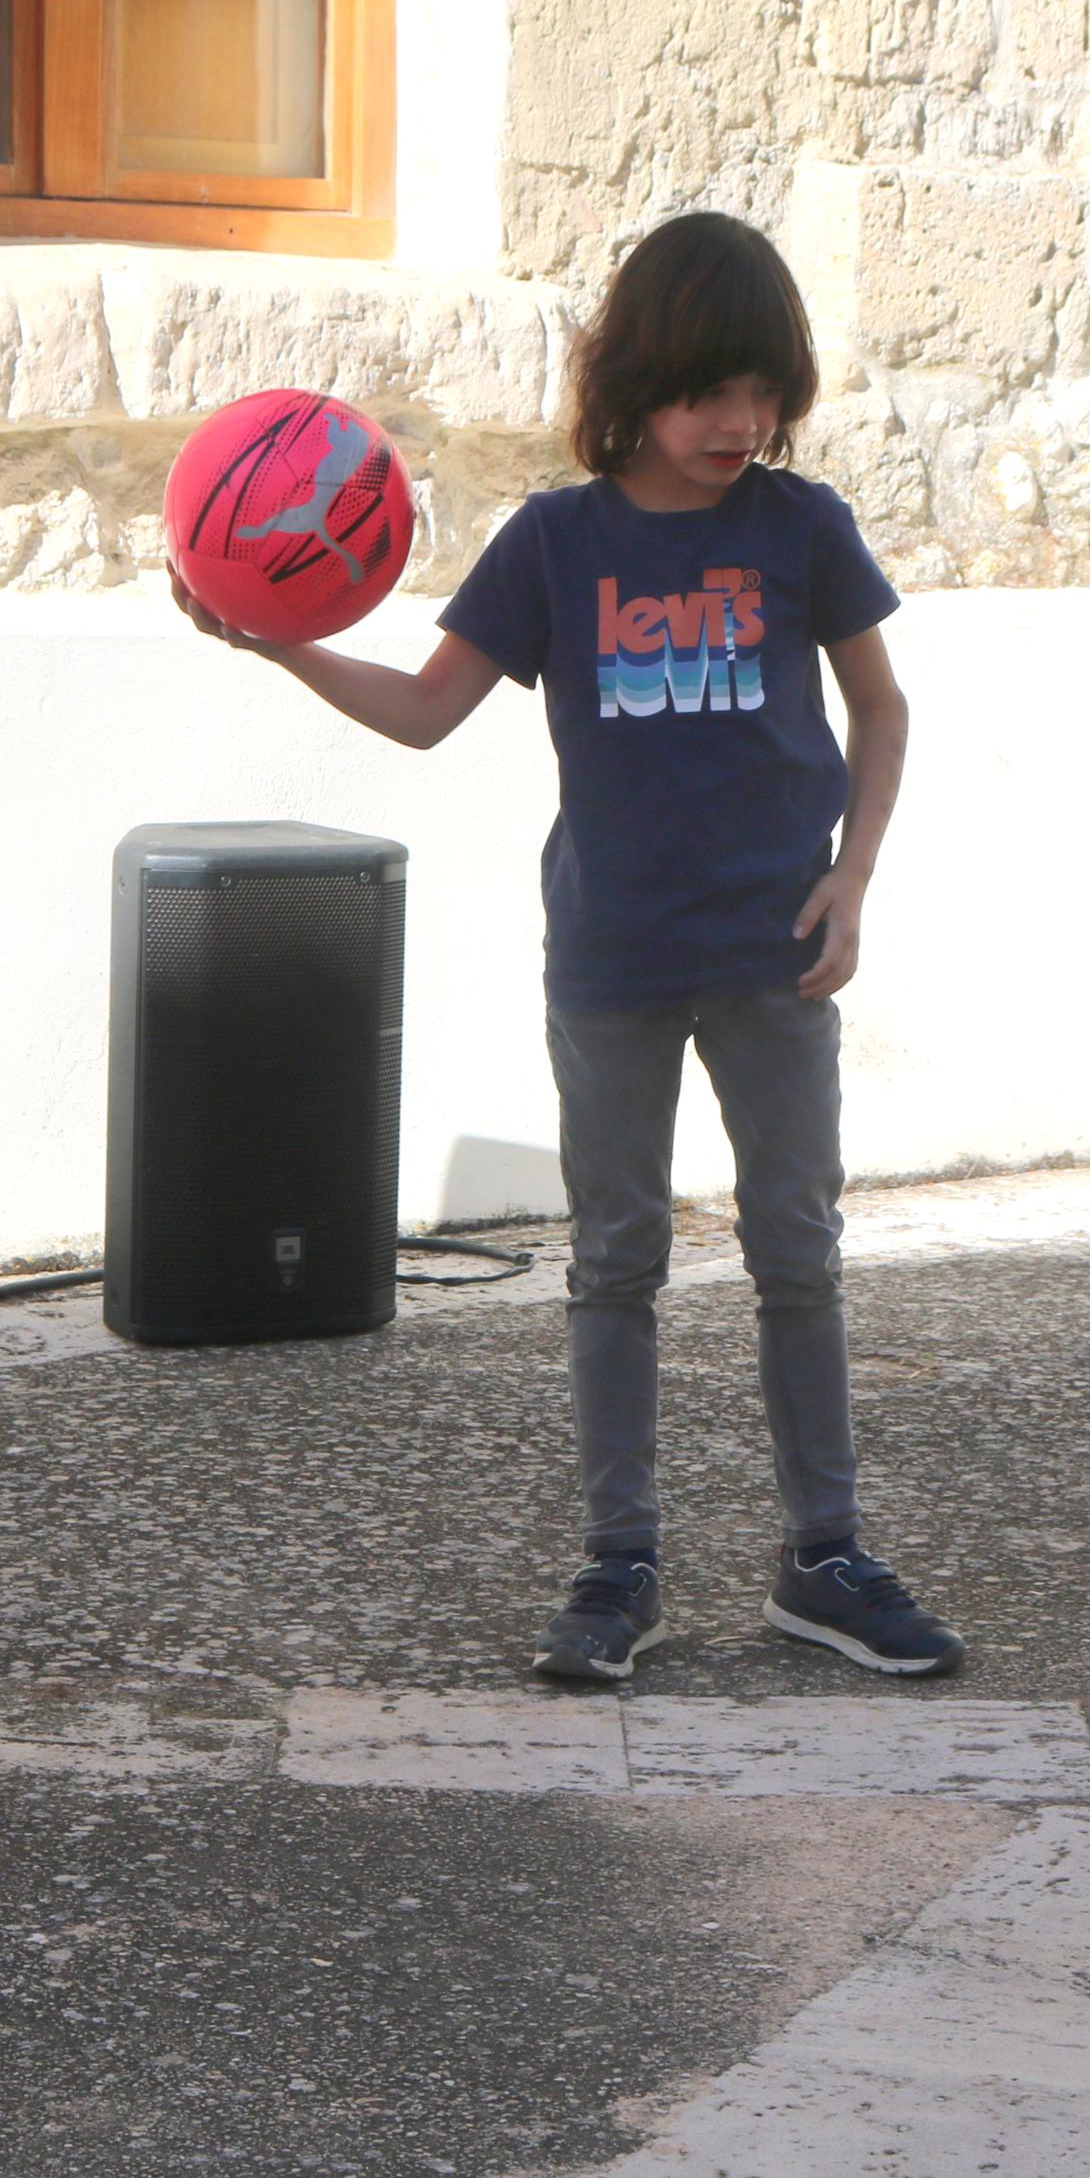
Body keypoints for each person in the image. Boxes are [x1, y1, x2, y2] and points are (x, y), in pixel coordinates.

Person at [177, 212, 959, 1685]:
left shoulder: (803, 529)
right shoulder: (555, 542)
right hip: (611, 962)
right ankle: (620, 1566)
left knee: (799, 1250)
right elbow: (423, 711)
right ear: (634, 385)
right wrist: (272, 640)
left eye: (761, 391)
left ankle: (825, 1554)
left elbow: (885, 710)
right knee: (616, 1260)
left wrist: (853, 882)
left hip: (775, 955)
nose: (738, 423)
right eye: (704, 391)